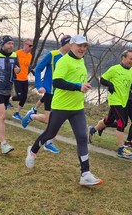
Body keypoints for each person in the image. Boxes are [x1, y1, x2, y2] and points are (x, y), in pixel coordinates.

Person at [25, 35, 103, 186]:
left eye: (85, 46)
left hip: (77, 108)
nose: (82, 49)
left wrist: (84, 85)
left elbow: (76, 80)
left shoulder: (81, 61)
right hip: (61, 106)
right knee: (50, 134)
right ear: (71, 45)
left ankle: (85, 174)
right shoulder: (63, 61)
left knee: (82, 137)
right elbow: (57, 81)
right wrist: (78, 86)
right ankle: (33, 151)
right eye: (79, 45)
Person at [22, 35, 71, 154]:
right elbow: (38, 69)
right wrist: (39, 85)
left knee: (57, 119)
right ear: (65, 44)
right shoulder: (53, 55)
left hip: (62, 93)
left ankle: (49, 143)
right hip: (50, 90)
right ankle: (31, 116)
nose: (73, 45)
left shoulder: (71, 58)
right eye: (71, 43)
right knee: (48, 119)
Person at [88, 49, 132, 159]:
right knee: (122, 123)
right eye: (131, 58)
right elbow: (102, 79)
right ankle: (121, 150)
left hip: (124, 100)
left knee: (108, 121)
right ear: (123, 58)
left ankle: (92, 130)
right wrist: (110, 85)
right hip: (115, 100)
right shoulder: (114, 69)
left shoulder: (131, 71)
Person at [11, 38, 33, 121]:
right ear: (25, 45)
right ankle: (10, 99)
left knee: (24, 97)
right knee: (20, 96)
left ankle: (16, 113)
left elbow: (27, 66)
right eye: (30, 46)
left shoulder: (30, 55)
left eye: (32, 46)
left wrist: (31, 70)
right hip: (17, 78)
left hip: (25, 79)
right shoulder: (16, 53)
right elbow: (11, 64)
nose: (31, 47)